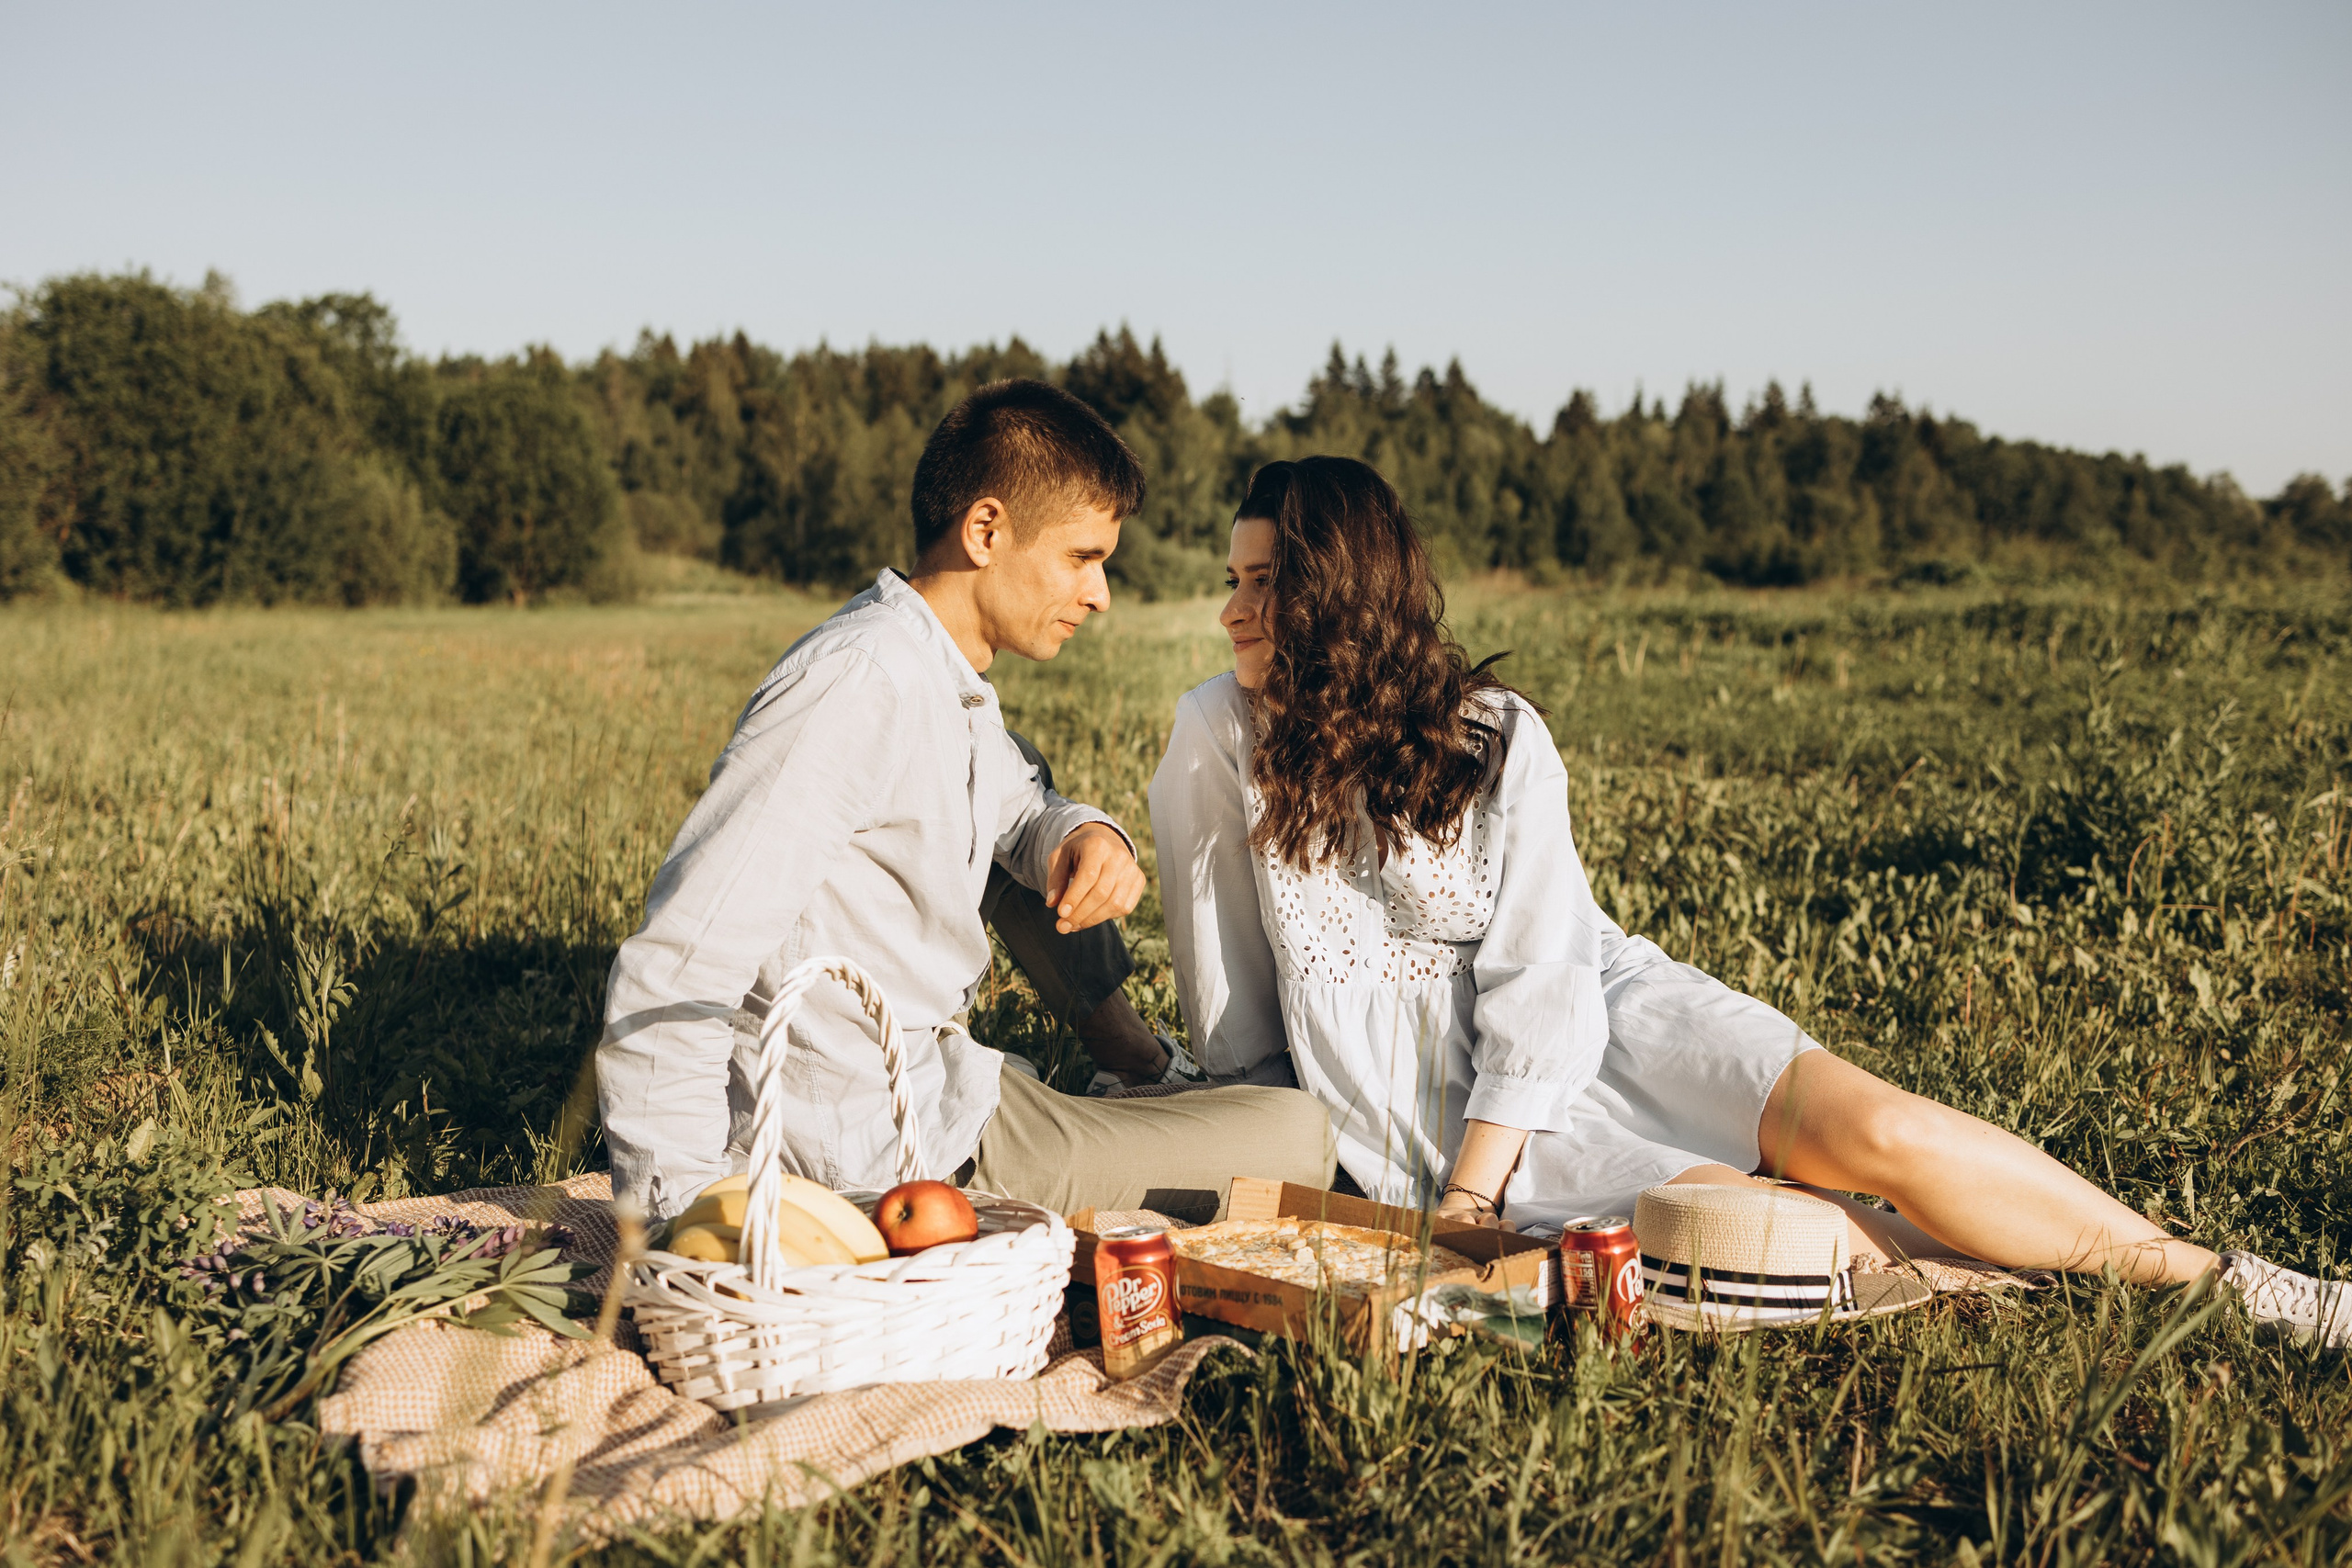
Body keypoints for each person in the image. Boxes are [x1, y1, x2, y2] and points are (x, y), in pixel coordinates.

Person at [1148, 455, 2347, 1347]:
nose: (1233, 610)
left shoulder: (1496, 732)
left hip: (1597, 1013)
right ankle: (2056, 1287)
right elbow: (1231, 987)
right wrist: (1299, 1151)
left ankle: (2227, 1280)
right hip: (1420, 1101)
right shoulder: (1217, 729)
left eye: (1264, 581)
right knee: (1759, 1230)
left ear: (1341, 590)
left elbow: (1545, 969)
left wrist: (1472, 1197)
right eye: (1233, 579)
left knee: (1883, 1134)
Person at [597, 381, 1330, 1226]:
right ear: (985, 532)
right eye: (1081, 558)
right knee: (1305, 1138)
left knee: (1033, 812)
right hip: (889, 1153)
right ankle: (1117, 1112)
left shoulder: (939, 673)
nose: (1100, 595)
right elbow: (680, 957)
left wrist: (1082, 832)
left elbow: (1018, 806)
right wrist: (681, 1217)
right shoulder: (859, 683)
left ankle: (1128, 1073)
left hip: (950, 1090)